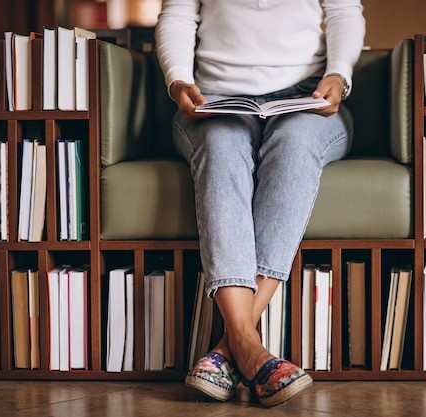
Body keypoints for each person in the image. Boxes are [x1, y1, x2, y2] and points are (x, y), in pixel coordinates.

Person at [155, 0, 365, 408]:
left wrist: (338, 74)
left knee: (296, 145)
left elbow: (344, 11)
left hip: (309, 97)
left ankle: (231, 348)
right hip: (212, 97)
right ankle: (249, 346)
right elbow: (177, 15)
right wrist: (179, 81)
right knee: (219, 148)